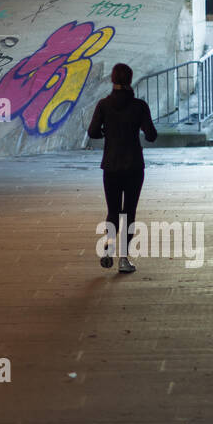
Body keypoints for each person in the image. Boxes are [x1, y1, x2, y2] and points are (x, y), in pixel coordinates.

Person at [87, 63, 157, 274]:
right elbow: (151, 135)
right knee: (129, 212)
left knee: (113, 210)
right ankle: (124, 259)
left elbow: (92, 132)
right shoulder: (139, 106)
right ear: (130, 79)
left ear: (112, 79)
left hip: (111, 165)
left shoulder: (103, 105)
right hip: (134, 165)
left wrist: (107, 133)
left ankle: (108, 246)